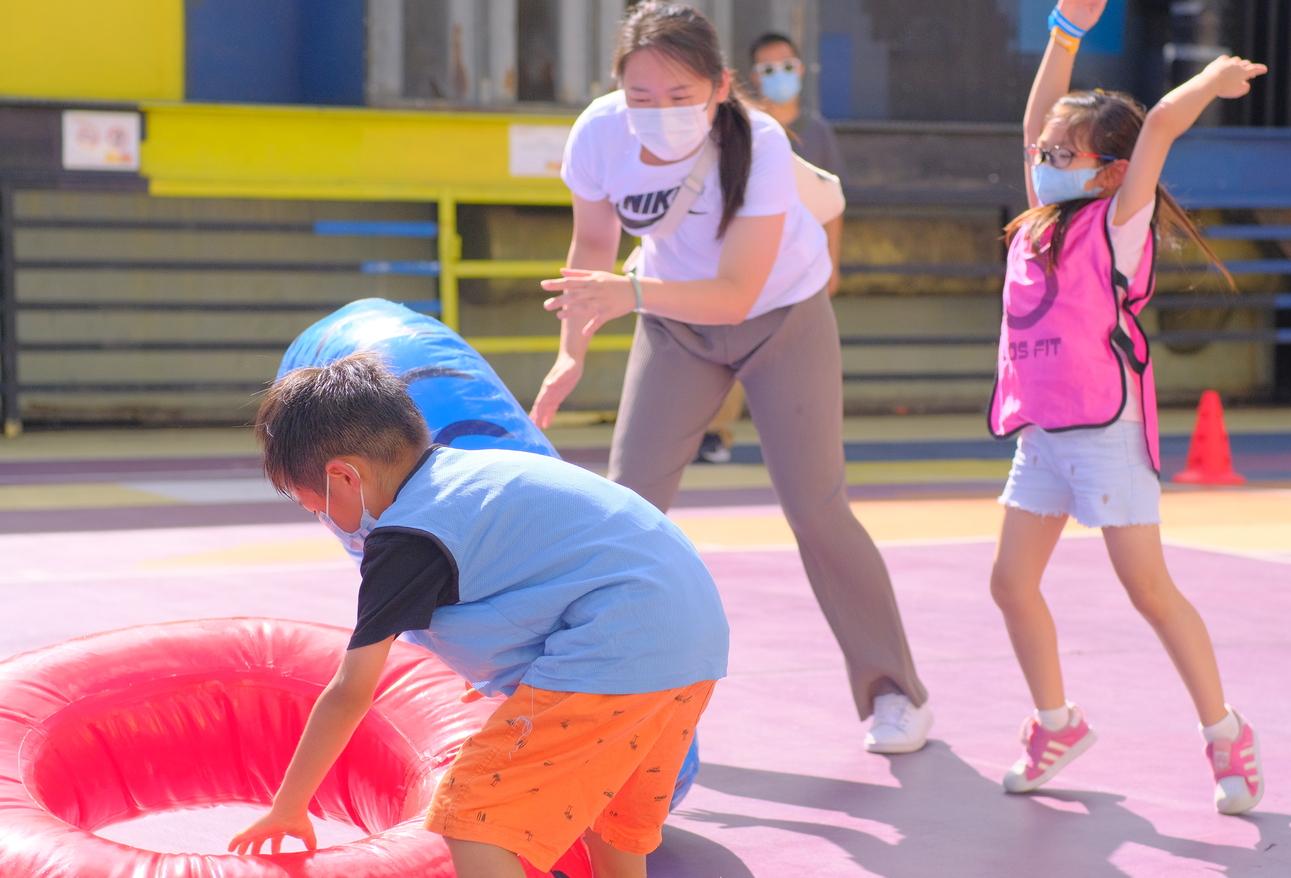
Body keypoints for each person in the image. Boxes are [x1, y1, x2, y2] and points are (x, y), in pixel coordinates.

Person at [531, 1, 932, 754]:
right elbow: (592, 247)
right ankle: (597, 688)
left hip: (781, 318)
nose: (658, 112)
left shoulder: (762, 142)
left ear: (719, 87)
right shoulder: (598, 133)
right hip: (672, 323)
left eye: (679, 95)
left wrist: (630, 295)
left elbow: (738, 294)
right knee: (628, 507)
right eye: (641, 96)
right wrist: (571, 352)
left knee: (816, 508)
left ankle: (894, 690)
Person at [228, 353, 729, 878]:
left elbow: (350, 691)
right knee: (612, 819)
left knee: (471, 816)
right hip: (694, 639)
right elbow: (549, 572)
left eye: (313, 506)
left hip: (617, 645)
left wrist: (289, 807)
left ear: (344, 476)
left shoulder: (408, 537)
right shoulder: (467, 477)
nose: (322, 519)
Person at [986, 0, 1268, 814]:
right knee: (1010, 583)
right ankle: (1058, 724)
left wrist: (1209, 81)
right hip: (1043, 433)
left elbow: (1161, 127)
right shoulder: (1037, 223)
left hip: (1105, 432)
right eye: (1042, 153)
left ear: (1109, 171)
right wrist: (1064, 32)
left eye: (1061, 153)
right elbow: (1036, 119)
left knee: (1148, 589)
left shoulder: (1116, 226)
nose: (1043, 159)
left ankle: (1226, 734)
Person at [695, 31, 848, 464]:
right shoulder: (745, 126)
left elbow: (833, 204)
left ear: (801, 69)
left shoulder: (817, 131)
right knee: (732, 347)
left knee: (801, 358)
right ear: (754, 76)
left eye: (787, 66)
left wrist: (833, 263)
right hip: (749, 258)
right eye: (768, 69)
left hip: (803, 263)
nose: (779, 75)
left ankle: (803, 444)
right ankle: (715, 433)